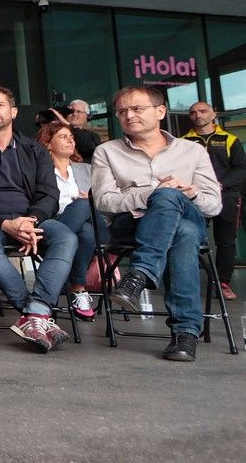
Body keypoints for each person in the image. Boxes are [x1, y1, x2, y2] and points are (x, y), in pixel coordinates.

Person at [94, 87, 222, 361]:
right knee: (181, 229)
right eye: (122, 111)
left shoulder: (193, 151)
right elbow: (104, 201)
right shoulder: (107, 151)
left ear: (160, 111)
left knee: (180, 216)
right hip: (131, 225)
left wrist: (188, 192)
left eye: (137, 109)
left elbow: (214, 205)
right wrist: (154, 194)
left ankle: (137, 275)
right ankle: (185, 334)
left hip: (188, 215)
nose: (129, 115)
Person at [0, 86, 77, 353]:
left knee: (66, 236)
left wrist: (31, 219)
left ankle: (36, 311)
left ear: (14, 112)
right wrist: (5, 224)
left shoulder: (35, 150)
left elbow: (49, 195)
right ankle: (34, 313)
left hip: (33, 219)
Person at [38, 121, 106, 320]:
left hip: (95, 223)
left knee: (84, 206)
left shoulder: (86, 169)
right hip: (58, 224)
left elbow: (106, 201)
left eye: (71, 137)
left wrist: (91, 200)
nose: (70, 140)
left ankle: (51, 277)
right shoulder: (40, 172)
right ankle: (78, 289)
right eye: (62, 136)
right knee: (84, 232)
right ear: (48, 144)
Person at [183, 100, 245, 301]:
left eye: (203, 111)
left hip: (226, 196)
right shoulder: (183, 142)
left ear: (213, 114)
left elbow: (242, 168)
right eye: (193, 113)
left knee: (226, 241)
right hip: (195, 196)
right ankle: (188, 281)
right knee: (190, 237)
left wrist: (221, 184)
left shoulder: (230, 139)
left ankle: (222, 283)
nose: (197, 115)